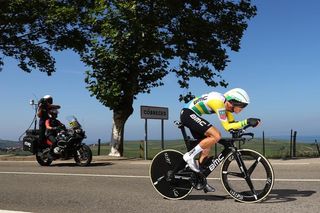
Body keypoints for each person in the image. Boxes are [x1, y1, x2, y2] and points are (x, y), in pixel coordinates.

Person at [180, 88, 260, 192]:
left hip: (193, 115)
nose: (240, 110)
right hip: (188, 114)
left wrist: (247, 124)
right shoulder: (218, 102)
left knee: (206, 148)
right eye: (240, 106)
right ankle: (189, 156)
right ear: (233, 102)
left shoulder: (226, 107)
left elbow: (232, 124)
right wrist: (247, 121)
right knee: (216, 135)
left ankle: (200, 178)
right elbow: (227, 126)